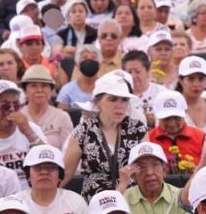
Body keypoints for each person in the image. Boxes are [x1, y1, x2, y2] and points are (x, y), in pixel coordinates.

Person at [63, 72, 148, 200]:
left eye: (124, 100)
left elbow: (147, 168)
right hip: (94, 205)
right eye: (112, 99)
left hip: (133, 203)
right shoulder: (83, 131)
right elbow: (65, 174)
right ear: (97, 101)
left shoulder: (138, 129)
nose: (119, 105)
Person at [12, 144, 89, 214]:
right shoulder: (16, 203)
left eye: (51, 168)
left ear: (60, 175)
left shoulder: (76, 201)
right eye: (38, 168)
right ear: (28, 175)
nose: (44, 172)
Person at [121, 141, 191, 214]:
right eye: (142, 167)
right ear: (133, 175)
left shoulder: (180, 197)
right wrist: (122, 185)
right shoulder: (123, 198)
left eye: (155, 165)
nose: (149, 172)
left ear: (165, 170)